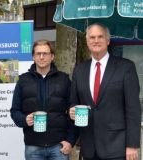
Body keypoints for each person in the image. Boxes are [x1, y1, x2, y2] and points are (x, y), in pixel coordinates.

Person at [69, 23, 141, 160]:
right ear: (87, 41)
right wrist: (71, 110)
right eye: (92, 37)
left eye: (100, 37)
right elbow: (74, 101)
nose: (96, 40)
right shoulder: (79, 70)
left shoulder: (126, 67)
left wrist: (132, 145)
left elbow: (133, 109)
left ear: (108, 41)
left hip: (117, 147)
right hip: (89, 147)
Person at [10, 40, 77, 160]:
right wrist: (24, 119)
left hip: (59, 146)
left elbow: (74, 111)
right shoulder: (23, 81)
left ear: (52, 56)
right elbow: (14, 111)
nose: (41, 57)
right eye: (38, 54)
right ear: (33, 57)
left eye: (45, 53)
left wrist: (70, 141)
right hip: (33, 147)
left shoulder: (64, 80)